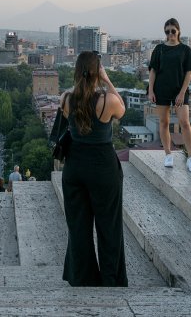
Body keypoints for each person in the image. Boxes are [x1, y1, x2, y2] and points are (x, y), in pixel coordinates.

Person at [60, 51, 127, 287]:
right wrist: (107, 80)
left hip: (75, 167)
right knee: (109, 225)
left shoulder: (66, 98)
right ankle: (111, 279)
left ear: (77, 71)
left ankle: (82, 277)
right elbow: (123, 110)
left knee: (78, 226)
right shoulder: (107, 101)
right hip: (103, 168)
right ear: (98, 70)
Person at [147, 17, 191, 173]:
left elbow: (188, 73)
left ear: (178, 31)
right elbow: (153, 71)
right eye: (167, 31)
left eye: (173, 31)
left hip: (179, 90)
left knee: (184, 122)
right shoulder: (159, 49)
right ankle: (168, 154)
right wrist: (150, 90)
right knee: (163, 122)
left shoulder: (185, 50)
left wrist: (182, 93)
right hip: (161, 89)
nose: (170, 33)